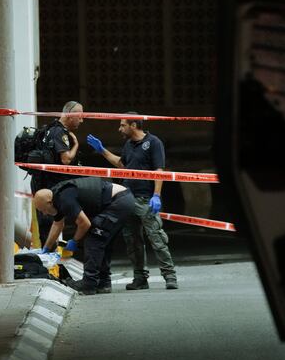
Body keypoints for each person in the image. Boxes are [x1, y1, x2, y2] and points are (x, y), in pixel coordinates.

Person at [86, 114, 179, 290]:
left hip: (146, 199)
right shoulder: (128, 145)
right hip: (127, 199)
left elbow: (160, 170)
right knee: (132, 241)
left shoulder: (153, 143)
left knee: (157, 239)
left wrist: (157, 195)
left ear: (133, 125)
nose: (119, 129)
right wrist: (102, 150)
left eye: (122, 125)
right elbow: (123, 166)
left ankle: (169, 276)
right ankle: (140, 278)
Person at [33, 177, 134, 295]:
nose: (44, 213)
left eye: (43, 209)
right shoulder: (57, 198)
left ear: (49, 202)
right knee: (102, 241)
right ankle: (103, 282)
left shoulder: (64, 198)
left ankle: (88, 284)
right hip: (122, 200)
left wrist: (74, 240)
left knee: (94, 238)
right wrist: (46, 248)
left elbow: (84, 223)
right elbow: (57, 224)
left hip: (118, 201)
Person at [31, 100, 85, 244]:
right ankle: (49, 257)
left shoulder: (50, 128)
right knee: (51, 223)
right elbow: (66, 159)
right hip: (49, 185)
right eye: (79, 116)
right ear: (68, 114)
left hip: (44, 182)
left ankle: (49, 255)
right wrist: (76, 145)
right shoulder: (59, 132)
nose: (82, 119)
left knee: (51, 223)